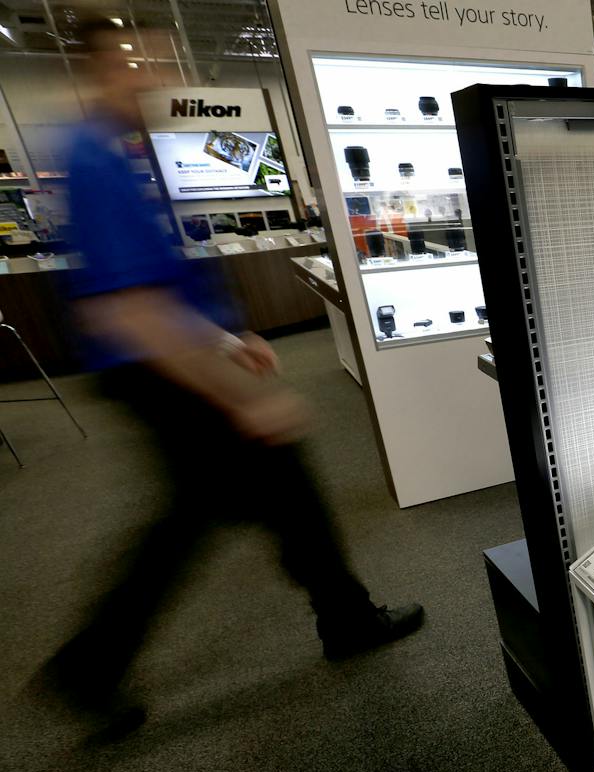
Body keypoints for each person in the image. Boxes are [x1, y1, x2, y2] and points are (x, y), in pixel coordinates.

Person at [39, 20, 423, 733]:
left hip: (170, 360)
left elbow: (157, 285)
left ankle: (92, 665)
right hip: (156, 372)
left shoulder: (118, 157)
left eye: (157, 59)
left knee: (213, 507)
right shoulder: (94, 162)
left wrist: (224, 336)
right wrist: (234, 396)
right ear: (98, 70)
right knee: (218, 504)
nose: (154, 74)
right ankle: (93, 664)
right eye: (136, 62)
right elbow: (127, 309)